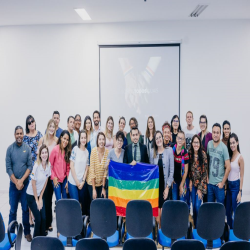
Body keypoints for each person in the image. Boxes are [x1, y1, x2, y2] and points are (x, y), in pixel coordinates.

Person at [6, 126, 33, 242]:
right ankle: (11, 234)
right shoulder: (10, 149)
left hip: (25, 184)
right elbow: (8, 168)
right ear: (14, 135)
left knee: (25, 209)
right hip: (13, 185)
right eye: (17, 133)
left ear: (23, 135)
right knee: (12, 210)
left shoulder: (27, 148)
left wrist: (21, 181)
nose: (19, 136)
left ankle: (27, 232)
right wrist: (16, 182)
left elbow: (29, 166)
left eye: (21, 133)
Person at [150, 131, 174, 228]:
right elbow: (151, 170)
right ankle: (158, 233)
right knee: (157, 217)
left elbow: (171, 171)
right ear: (155, 141)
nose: (159, 139)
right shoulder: (152, 152)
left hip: (165, 187)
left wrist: (167, 188)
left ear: (163, 138)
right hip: (156, 188)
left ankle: (162, 232)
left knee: (164, 214)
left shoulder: (169, 150)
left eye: (160, 137)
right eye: (157, 138)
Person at [26, 144, 51, 238]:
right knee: (39, 218)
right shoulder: (36, 166)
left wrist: (40, 198)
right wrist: (37, 200)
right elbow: (33, 184)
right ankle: (36, 240)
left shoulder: (48, 165)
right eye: (43, 153)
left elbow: (46, 181)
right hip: (31, 195)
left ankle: (42, 238)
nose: (44, 154)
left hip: (39, 195)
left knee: (44, 218)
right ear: (40, 155)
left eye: (46, 152)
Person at [38, 119, 58, 233]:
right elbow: (39, 156)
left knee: (50, 199)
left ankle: (49, 222)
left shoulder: (56, 140)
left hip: (53, 174)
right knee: (43, 199)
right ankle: (43, 223)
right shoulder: (42, 140)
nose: (51, 128)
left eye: (53, 127)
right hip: (43, 174)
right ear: (47, 127)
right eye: (50, 126)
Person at [207, 123, 231, 204]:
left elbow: (228, 167)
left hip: (219, 186)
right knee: (210, 209)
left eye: (217, 133)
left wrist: (222, 183)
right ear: (212, 133)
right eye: (214, 132)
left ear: (220, 134)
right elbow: (207, 162)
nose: (215, 135)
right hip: (210, 184)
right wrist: (207, 177)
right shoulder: (209, 144)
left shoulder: (224, 147)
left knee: (220, 210)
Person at [189, 135, 208, 228]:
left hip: (201, 185)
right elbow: (189, 170)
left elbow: (205, 174)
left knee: (197, 206)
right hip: (193, 184)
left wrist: (200, 189)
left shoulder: (203, 155)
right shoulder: (190, 154)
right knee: (194, 207)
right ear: (192, 144)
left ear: (200, 144)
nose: (196, 144)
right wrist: (190, 181)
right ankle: (195, 227)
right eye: (194, 142)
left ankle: (199, 226)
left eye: (197, 142)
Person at [226, 133, 244, 229]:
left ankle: (237, 232)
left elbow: (242, 176)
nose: (232, 145)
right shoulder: (230, 155)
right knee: (228, 211)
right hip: (229, 186)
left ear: (237, 143)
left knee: (236, 211)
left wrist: (240, 192)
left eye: (234, 143)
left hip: (236, 186)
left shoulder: (240, 157)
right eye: (230, 143)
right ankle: (230, 231)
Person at [68, 130, 89, 207]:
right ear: (79, 139)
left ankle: (79, 219)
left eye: (85, 138)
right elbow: (71, 166)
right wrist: (76, 181)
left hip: (81, 182)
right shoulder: (75, 149)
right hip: (73, 181)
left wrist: (83, 181)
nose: (83, 140)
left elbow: (87, 167)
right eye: (82, 138)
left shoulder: (87, 152)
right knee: (75, 203)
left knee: (81, 203)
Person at [50, 130, 71, 201]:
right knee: (59, 200)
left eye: (67, 140)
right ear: (61, 138)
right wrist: (53, 177)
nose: (65, 141)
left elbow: (68, 169)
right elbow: (50, 165)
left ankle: (64, 212)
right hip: (56, 179)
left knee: (65, 200)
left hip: (64, 179)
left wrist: (68, 181)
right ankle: (59, 212)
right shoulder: (55, 149)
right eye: (64, 138)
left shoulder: (67, 151)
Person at [86, 132, 109, 200]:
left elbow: (105, 172)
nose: (101, 141)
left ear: (105, 141)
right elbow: (92, 170)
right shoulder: (93, 151)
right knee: (94, 201)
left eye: (103, 139)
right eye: (100, 139)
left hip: (102, 183)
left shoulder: (107, 152)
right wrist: (93, 189)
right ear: (97, 141)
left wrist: (103, 188)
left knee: (101, 201)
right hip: (92, 182)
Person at [105, 131, 125, 197]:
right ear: (116, 141)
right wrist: (107, 164)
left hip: (120, 183)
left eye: (121, 140)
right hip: (111, 182)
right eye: (118, 140)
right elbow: (105, 168)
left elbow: (126, 167)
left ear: (123, 142)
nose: (119, 142)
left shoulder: (124, 153)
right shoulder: (110, 152)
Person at [172, 131, 189, 202]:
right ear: (176, 139)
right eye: (179, 138)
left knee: (182, 202)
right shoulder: (171, 150)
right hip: (174, 181)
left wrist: (181, 185)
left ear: (184, 141)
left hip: (182, 181)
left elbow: (186, 171)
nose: (180, 140)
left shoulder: (185, 153)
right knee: (174, 201)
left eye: (182, 139)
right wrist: (171, 179)